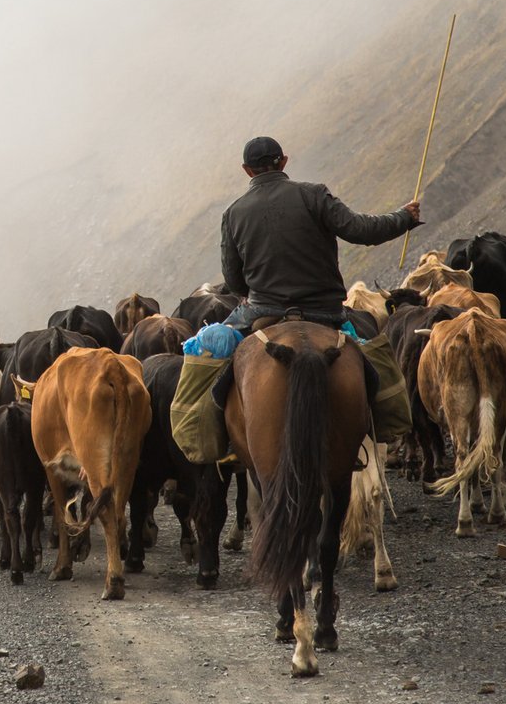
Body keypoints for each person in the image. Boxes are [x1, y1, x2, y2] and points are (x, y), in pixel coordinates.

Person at [170, 137, 422, 463]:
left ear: (247, 170)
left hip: (261, 311)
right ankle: (386, 422)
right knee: (373, 343)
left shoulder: (233, 213)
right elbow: (363, 230)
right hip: (327, 311)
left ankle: (219, 440)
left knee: (211, 355)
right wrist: (404, 217)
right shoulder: (314, 195)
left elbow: (233, 280)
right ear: (284, 162)